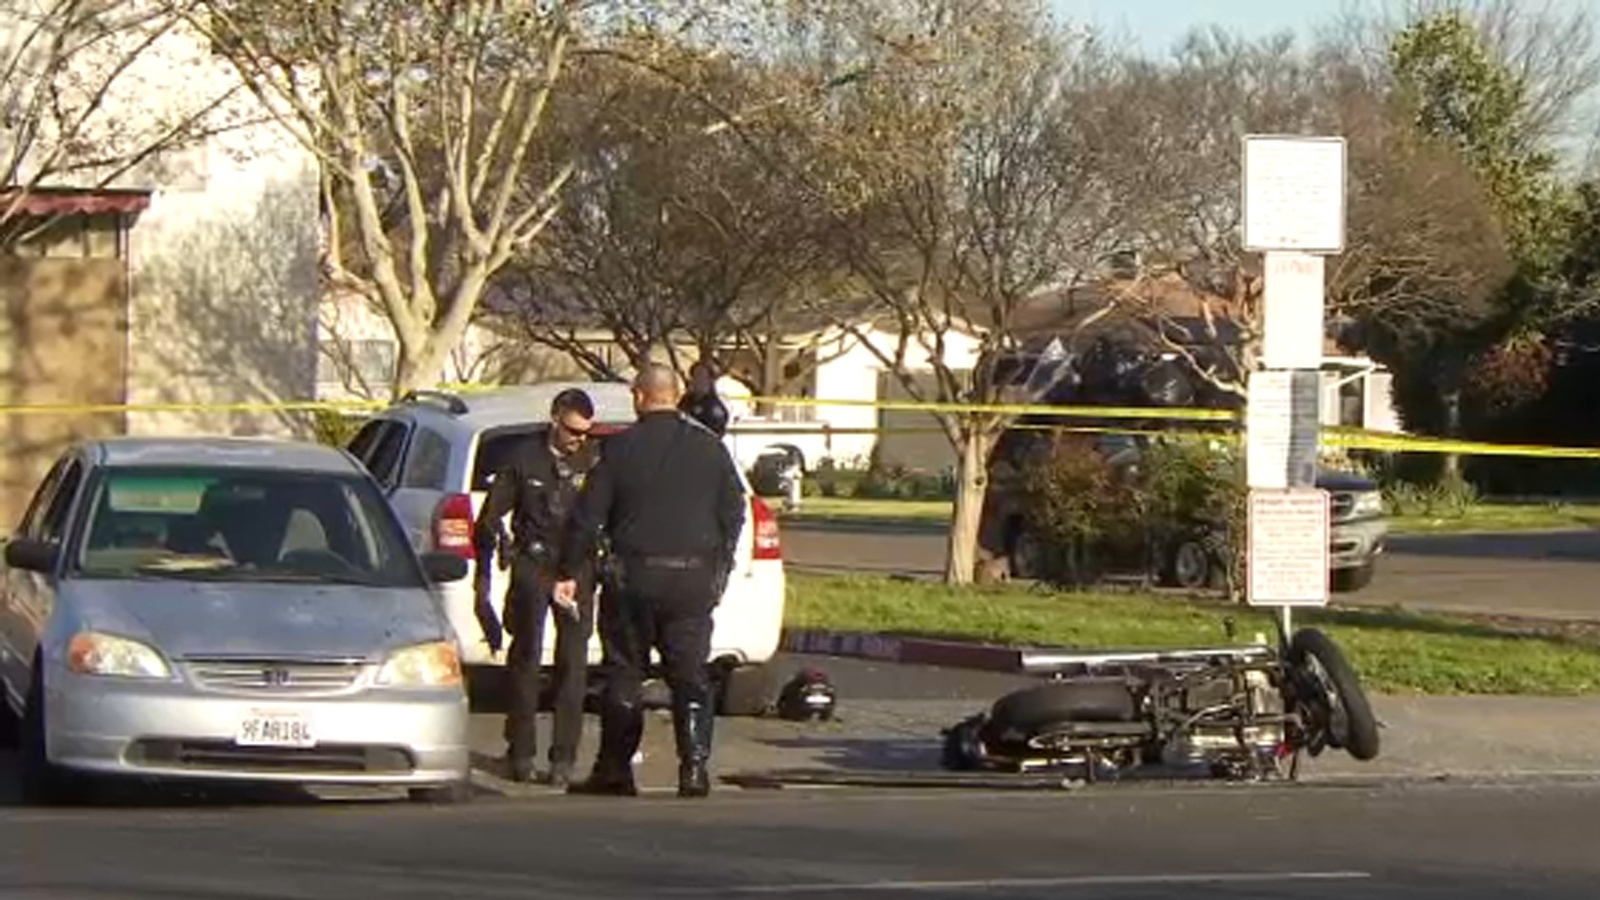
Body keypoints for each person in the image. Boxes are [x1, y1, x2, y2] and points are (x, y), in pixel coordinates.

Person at [553, 363, 746, 798]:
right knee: (690, 675)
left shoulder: (620, 451)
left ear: (639, 396)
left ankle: (616, 770)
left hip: (634, 577)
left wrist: (568, 569)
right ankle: (693, 768)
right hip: (693, 581)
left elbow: (587, 518)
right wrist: (720, 565)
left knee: (624, 672)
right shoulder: (710, 450)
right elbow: (734, 511)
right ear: (676, 395)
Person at [473, 387, 602, 787]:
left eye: (584, 432)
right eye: (571, 431)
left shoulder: (595, 460)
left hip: (577, 566)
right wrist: (492, 560)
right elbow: (492, 516)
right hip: (535, 561)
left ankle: (563, 757)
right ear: (554, 419)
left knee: (573, 663)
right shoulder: (525, 458)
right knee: (526, 657)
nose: (577, 439)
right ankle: (521, 751)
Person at [678, 359, 730, 437]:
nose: (696, 380)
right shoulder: (686, 401)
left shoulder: (715, 407)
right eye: (694, 376)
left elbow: (714, 434)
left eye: (700, 376)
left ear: (710, 380)